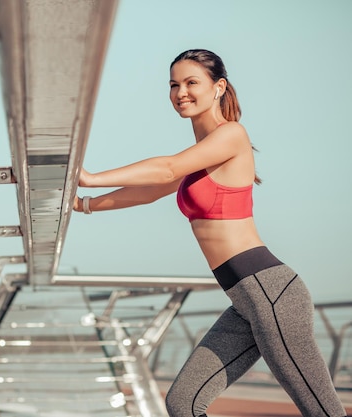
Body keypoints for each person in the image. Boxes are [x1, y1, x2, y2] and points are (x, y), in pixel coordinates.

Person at [73, 49, 346, 417]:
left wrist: (90, 176)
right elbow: (149, 190)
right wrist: (83, 204)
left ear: (218, 88)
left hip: (273, 295)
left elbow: (166, 170)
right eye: (174, 84)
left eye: (191, 82)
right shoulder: (199, 156)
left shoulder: (231, 136)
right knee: (183, 403)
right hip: (246, 302)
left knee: (322, 412)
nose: (180, 92)